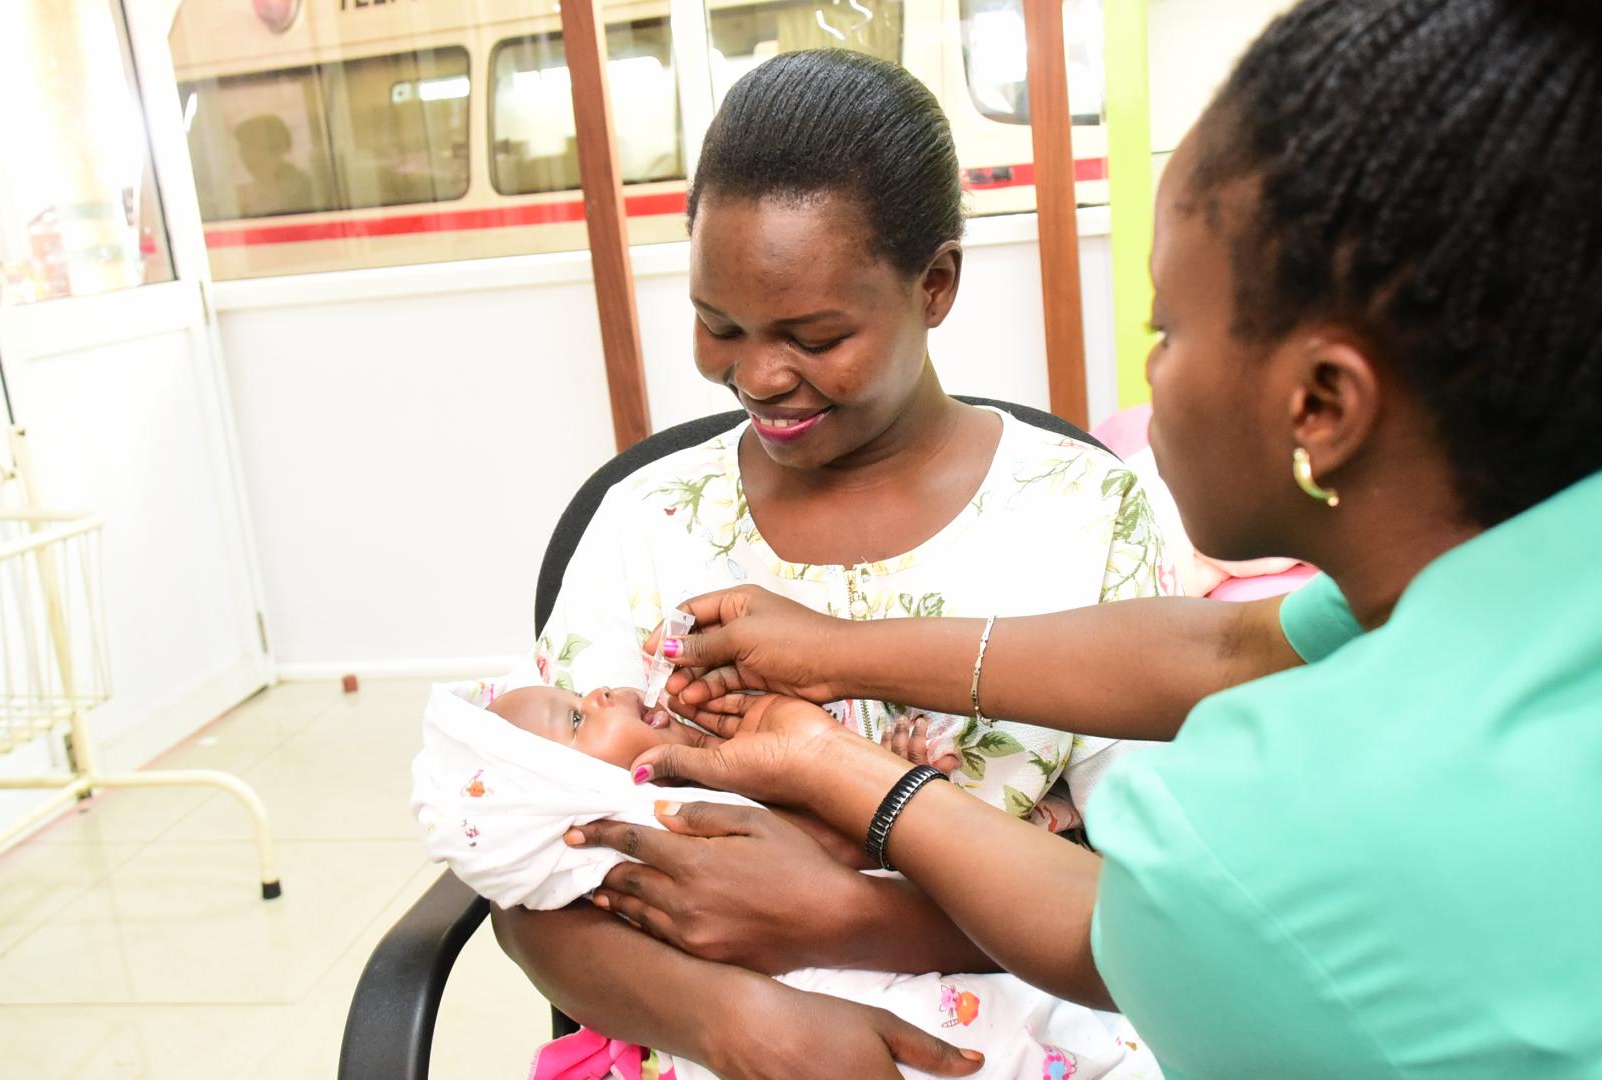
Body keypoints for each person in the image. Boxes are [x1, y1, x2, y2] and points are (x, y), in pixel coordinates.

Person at [573, 1, 1602, 1076]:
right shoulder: (1514, 575)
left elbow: (1110, 927)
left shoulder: (1256, 838)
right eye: (721, 323)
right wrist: (835, 656)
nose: (1146, 376)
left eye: (1165, 328)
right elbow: (1216, 649)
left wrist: (832, 804)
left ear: (1320, 406)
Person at [490, 48, 1170, 1080]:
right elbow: (521, 881)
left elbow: (1159, 911)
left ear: (932, 284)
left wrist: (839, 920)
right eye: (718, 325)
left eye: (814, 334)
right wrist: (736, 1026)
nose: (758, 375)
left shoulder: (1086, 516)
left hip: (1033, 1035)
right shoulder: (650, 523)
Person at [413, 682, 1159, 1080]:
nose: (605, 691)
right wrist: (737, 1017)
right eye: (578, 717)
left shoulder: (699, 800)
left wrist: (884, 785)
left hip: (1034, 941)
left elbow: (852, 853)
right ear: (569, 804)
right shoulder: (650, 830)